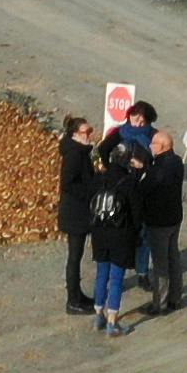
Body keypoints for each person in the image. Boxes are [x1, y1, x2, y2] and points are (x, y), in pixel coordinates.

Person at [83, 131, 145, 336]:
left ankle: (98, 315)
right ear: (127, 160)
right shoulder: (129, 183)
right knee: (116, 278)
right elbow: (137, 215)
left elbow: (89, 203)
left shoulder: (99, 179)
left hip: (100, 233)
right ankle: (112, 321)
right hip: (121, 233)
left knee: (102, 274)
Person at [138, 123, 187, 315]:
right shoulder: (177, 162)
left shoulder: (157, 169)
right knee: (173, 257)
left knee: (160, 264)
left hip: (159, 221)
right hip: (175, 217)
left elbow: (144, 190)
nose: (151, 146)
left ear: (163, 146)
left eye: (154, 144)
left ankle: (160, 303)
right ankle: (175, 297)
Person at [55, 117, 102, 315]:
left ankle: (78, 295)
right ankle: (73, 300)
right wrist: (91, 189)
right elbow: (68, 183)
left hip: (78, 212)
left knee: (77, 256)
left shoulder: (80, 152)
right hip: (75, 214)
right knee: (74, 257)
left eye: (90, 130)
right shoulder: (74, 155)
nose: (89, 135)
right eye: (86, 132)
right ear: (75, 135)